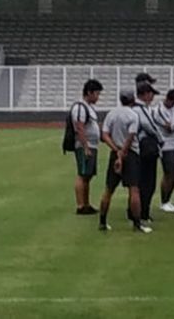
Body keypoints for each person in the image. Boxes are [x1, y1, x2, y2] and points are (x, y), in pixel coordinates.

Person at [99, 90, 151, 233]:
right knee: (134, 189)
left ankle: (102, 221)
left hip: (115, 153)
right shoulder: (133, 115)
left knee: (109, 189)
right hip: (130, 154)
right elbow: (130, 136)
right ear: (132, 99)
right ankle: (137, 223)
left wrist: (116, 150)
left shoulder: (112, 113)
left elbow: (104, 134)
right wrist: (122, 154)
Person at [133, 81, 163, 223]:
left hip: (138, 149)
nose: (152, 97)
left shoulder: (134, 108)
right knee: (147, 183)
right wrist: (161, 139)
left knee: (139, 183)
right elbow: (150, 126)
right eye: (151, 94)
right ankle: (143, 212)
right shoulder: (141, 109)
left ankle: (137, 211)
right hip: (145, 149)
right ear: (145, 94)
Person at [71, 79, 103, 215]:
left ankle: (86, 203)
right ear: (89, 93)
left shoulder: (88, 107)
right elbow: (79, 127)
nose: (98, 97)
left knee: (88, 175)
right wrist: (85, 146)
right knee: (82, 174)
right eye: (96, 93)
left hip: (91, 144)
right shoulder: (80, 107)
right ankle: (80, 205)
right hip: (85, 145)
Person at [154, 89, 174, 213]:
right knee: (169, 173)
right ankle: (164, 201)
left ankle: (169, 199)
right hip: (165, 145)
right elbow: (169, 127)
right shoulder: (159, 110)